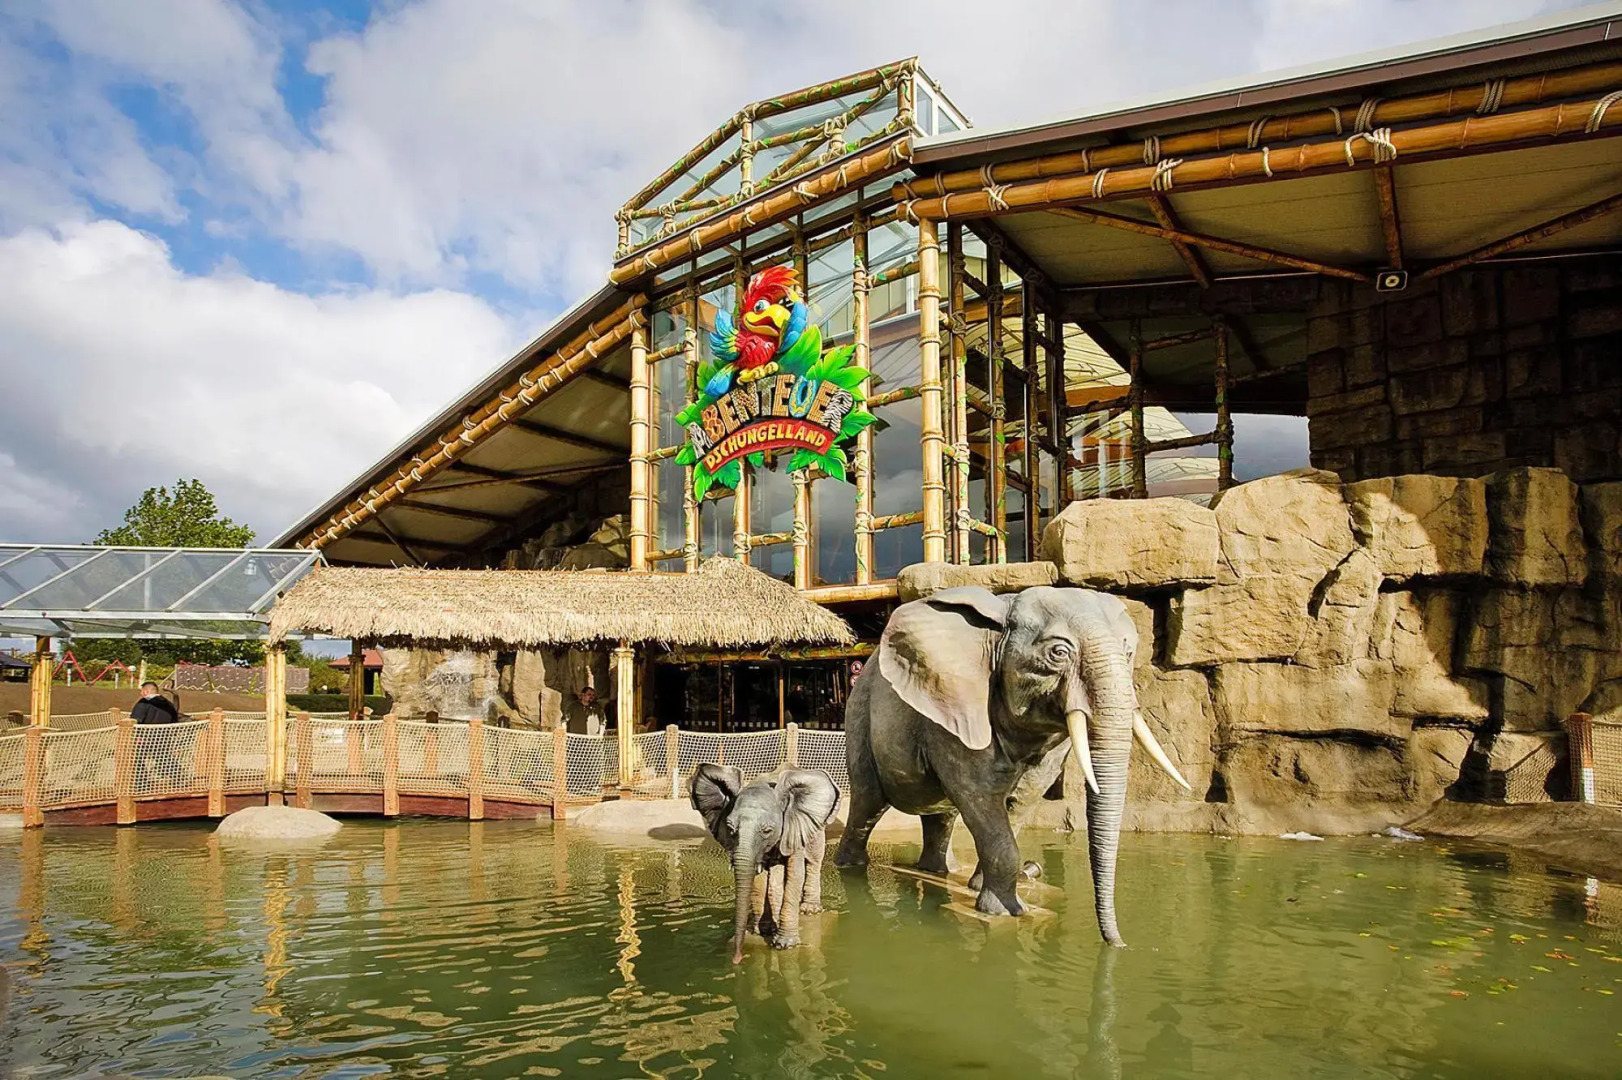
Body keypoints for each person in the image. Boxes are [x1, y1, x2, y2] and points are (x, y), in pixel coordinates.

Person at [130, 682, 185, 790]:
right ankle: (179, 779)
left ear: (146, 691)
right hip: (164, 736)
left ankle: (141, 784)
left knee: (137, 758)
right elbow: (174, 719)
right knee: (163, 758)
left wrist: (135, 734)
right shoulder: (168, 704)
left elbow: (136, 720)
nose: (141, 694)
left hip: (146, 736)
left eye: (142, 691)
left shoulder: (143, 703)